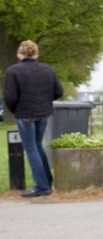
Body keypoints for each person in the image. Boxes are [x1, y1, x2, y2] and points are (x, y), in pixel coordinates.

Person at [3, 40, 64, 197]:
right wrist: (44, 102)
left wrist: (16, 110)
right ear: (36, 53)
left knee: (31, 148)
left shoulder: (13, 71)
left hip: (25, 114)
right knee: (38, 146)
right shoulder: (47, 70)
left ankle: (42, 186)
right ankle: (47, 182)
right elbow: (58, 91)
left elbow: (10, 97)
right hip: (43, 113)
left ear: (19, 53)